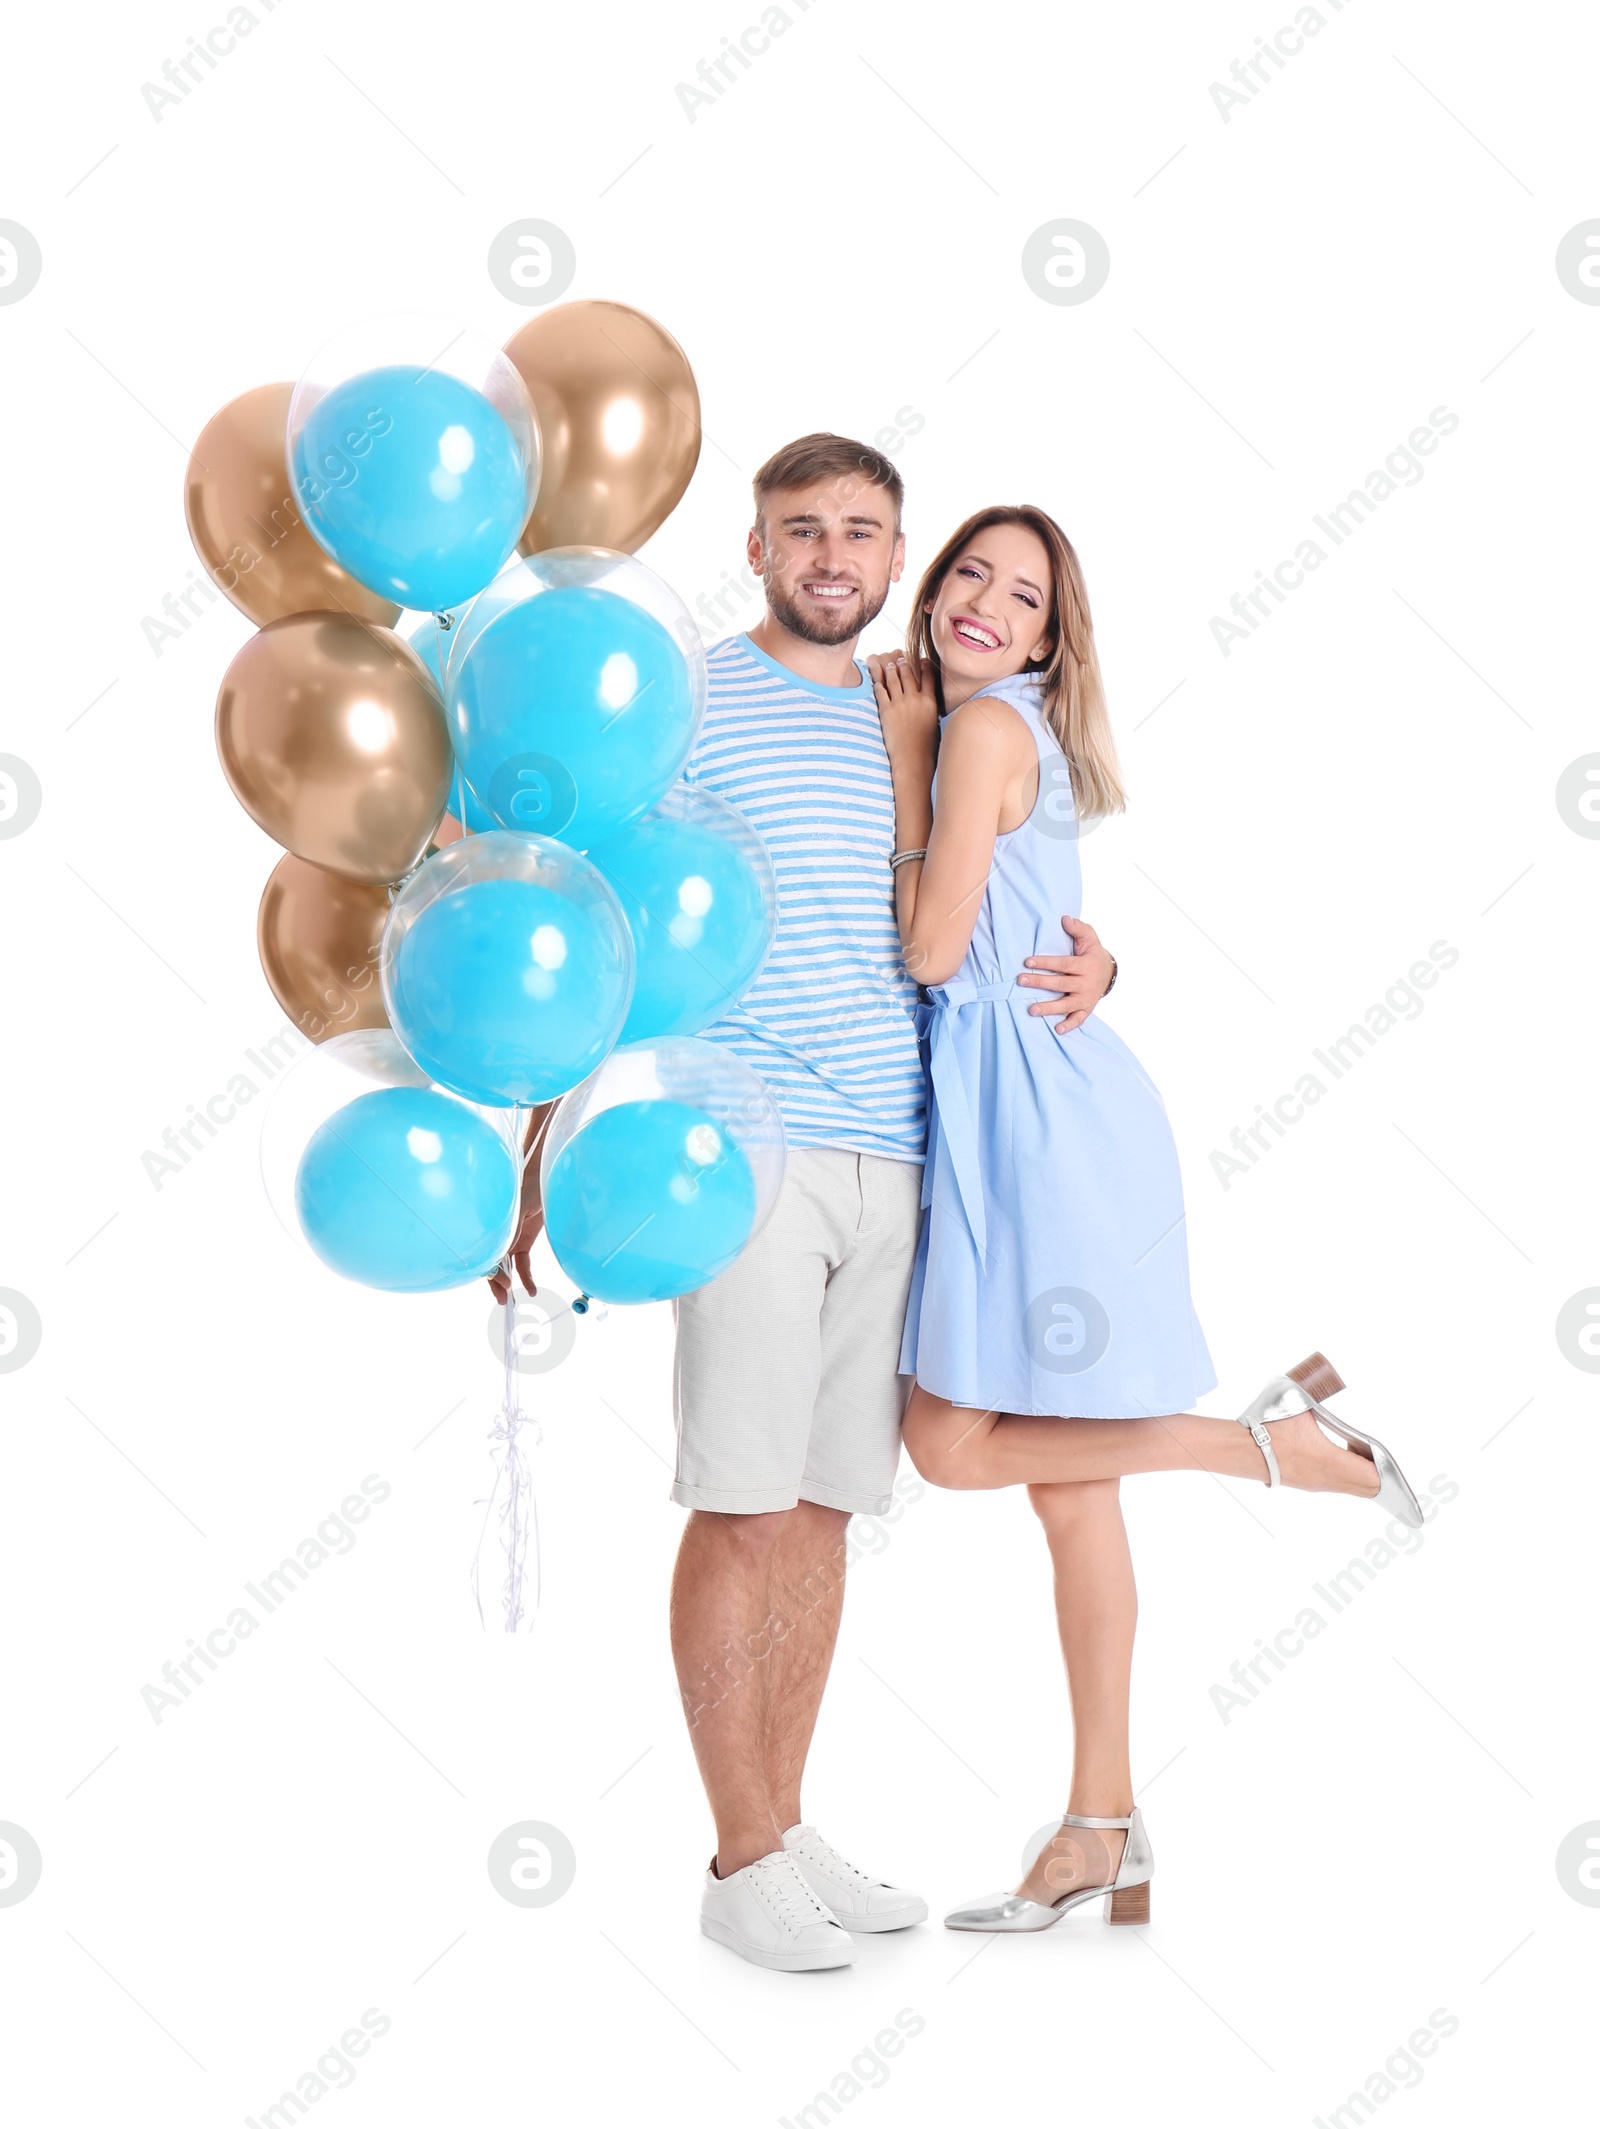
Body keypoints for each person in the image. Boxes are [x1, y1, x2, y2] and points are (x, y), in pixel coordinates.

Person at [491, 440, 1117, 1971]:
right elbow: (597, 923)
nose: (834, 555)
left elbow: (1011, 898)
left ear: (898, 551)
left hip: (905, 1155)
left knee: (830, 1507)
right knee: (744, 1498)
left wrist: (1107, 965)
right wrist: (530, 1159)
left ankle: (781, 1818)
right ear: (757, 542)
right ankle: (738, 1853)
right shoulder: (694, 697)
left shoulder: (938, 705)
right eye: (803, 530)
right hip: (738, 1150)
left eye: (864, 531)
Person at [868, 503, 1425, 1936]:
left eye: (1024, 594)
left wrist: (903, 753)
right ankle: (1098, 1829)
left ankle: (1273, 1447)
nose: (987, 601)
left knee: (946, 1441)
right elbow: (1021, 933)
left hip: (1037, 1136)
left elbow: (933, 950)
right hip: (1043, 1112)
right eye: (971, 574)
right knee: (1065, 1487)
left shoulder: (978, 731)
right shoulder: (1015, 735)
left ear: (1053, 640)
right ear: (935, 591)